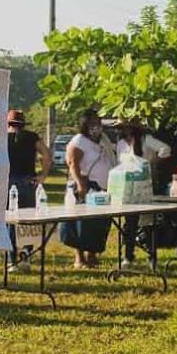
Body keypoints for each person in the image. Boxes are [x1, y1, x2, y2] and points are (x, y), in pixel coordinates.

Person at [65, 108, 116, 268]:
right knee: (81, 223)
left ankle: (92, 255)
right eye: (93, 123)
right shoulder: (79, 141)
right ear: (85, 125)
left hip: (101, 189)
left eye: (98, 123)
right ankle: (79, 259)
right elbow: (73, 163)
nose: (97, 126)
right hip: (85, 186)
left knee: (97, 223)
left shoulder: (102, 140)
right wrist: (81, 184)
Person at [117, 120, 171, 269]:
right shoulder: (121, 144)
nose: (125, 130)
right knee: (129, 223)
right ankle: (128, 255)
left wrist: (152, 162)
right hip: (127, 187)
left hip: (145, 186)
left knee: (148, 223)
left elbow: (165, 149)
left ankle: (152, 256)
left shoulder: (146, 140)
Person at [5, 108, 51, 269]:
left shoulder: (1, 137)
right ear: (23, 124)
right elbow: (46, 154)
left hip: (7, 182)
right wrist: (42, 175)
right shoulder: (32, 137)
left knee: (10, 222)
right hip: (28, 181)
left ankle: (11, 259)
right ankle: (26, 253)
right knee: (29, 220)